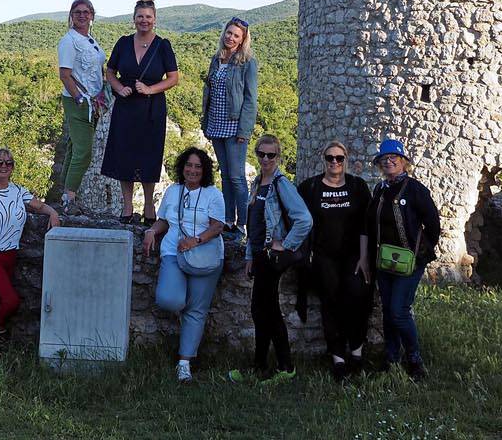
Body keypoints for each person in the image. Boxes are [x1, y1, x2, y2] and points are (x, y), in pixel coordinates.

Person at [229, 133, 313, 383]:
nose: (266, 159)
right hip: (258, 256)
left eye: (271, 155)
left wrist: (285, 245)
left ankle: (283, 366)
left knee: (268, 310)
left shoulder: (280, 184)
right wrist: (248, 256)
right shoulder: (257, 183)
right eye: (261, 154)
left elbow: (304, 219)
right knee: (260, 310)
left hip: (271, 256)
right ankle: (261, 364)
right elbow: (253, 225)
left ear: (278, 156)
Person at [142, 147, 228, 383]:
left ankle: (184, 362)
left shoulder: (213, 194)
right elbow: (164, 221)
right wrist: (151, 230)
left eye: (198, 166)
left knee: (197, 310)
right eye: (188, 165)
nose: (192, 170)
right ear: (182, 168)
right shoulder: (173, 191)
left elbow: (217, 226)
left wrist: (195, 240)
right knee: (170, 299)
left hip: (206, 256)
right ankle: (186, 326)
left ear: (205, 170)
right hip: (173, 252)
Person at [0, 147, 61, 355]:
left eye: (8, 163)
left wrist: (53, 212)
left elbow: (38, 206)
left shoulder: (18, 191)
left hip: (10, 255)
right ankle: (1, 330)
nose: (4, 166)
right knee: (10, 300)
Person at [296, 140, 373, 380]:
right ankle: (338, 358)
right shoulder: (311, 187)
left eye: (339, 158)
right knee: (331, 302)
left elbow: (365, 224)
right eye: (330, 158)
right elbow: (297, 217)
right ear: (324, 160)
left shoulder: (357, 186)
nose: (334, 162)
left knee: (358, 297)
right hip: (324, 256)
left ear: (346, 159)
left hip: (352, 255)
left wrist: (363, 257)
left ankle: (357, 352)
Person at [101, 0, 178, 223]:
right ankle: (126, 208)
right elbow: (110, 71)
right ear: (133, 19)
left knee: (148, 156)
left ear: (155, 19)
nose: (144, 20)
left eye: (148, 16)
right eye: (140, 16)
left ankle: (148, 208)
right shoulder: (123, 43)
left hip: (152, 109)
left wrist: (150, 89)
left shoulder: (163, 46)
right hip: (125, 107)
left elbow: (173, 78)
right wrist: (117, 88)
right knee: (124, 155)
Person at [368, 138, 441, 380]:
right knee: (389, 310)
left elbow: (432, 223)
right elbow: (371, 223)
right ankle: (391, 357)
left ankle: (414, 358)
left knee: (399, 310)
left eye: (393, 159)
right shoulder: (380, 190)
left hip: (410, 260)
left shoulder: (415, 190)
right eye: (384, 160)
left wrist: (422, 249)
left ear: (403, 162)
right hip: (385, 260)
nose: (389, 162)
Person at [202, 17, 257, 238]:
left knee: (237, 177)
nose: (230, 37)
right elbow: (209, 92)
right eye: (228, 32)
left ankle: (242, 225)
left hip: (235, 126)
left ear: (243, 39)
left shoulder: (247, 62)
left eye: (236, 35)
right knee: (225, 176)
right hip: (215, 123)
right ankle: (227, 221)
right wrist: (205, 122)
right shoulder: (217, 59)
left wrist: (245, 130)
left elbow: (251, 99)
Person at [56, 0, 107, 209]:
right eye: (78, 12)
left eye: (86, 12)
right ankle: (70, 198)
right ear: (71, 16)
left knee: (73, 146)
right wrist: (78, 98)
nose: (82, 16)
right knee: (84, 151)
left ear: (92, 15)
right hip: (78, 102)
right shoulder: (69, 41)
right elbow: (65, 74)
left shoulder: (89, 40)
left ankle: (64, 190)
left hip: (92, 101)